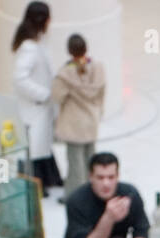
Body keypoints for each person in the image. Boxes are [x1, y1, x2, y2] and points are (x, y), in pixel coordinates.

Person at [61, 152, 150, 238]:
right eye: (100, 177)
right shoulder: (76, 200)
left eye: (111, 177)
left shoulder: (130, 194)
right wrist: (108, 218)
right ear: (91, 177)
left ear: (118, 176)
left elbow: (143, 231)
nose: (106, 183)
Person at [11, 2, 62, 196]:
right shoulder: (30, 48)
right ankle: (38, 185)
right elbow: (19, 78)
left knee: (42, 145)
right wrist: (44, 95)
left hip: (40, 106)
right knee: (37, 147)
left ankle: (48, 180)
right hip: (36, 107)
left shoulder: (34, 42)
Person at [52, 34, 107, 202]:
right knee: (91, 161)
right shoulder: (97, 68)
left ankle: (75, 197)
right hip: (91, 121)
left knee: (76, 165)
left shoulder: (65, 74)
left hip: (73, 124)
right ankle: (96, 191)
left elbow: (56, 96)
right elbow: (101, 94)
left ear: (69, 51)